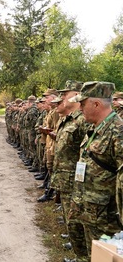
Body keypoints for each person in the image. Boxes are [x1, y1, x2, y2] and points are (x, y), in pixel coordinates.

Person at [68, 81, 123, 260]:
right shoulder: (94, 128)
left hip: (104, 220)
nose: (80, 108)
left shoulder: (118, 132)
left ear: (96, 104)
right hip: (85, 207)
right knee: (85, 254)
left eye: (83, 104)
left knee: (101, 258)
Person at [50, 81, 89, 262]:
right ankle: (78, 254)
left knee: (77, 223)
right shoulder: (69, 119)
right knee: (71, 221)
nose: (62, 97)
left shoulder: (82, 121)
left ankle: (81, 256)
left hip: (76, 181)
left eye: (65, 94)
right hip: (65, 179)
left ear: (76, 94)